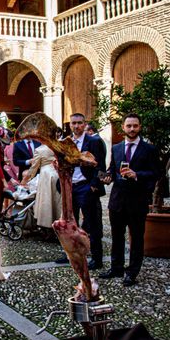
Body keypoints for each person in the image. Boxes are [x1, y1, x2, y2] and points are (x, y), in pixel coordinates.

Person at [100, 113, 158, 287]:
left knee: (136, 238)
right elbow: (112, 169)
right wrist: (108, 177)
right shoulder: (117, 148)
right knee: (117, 236)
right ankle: (116, 268)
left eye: (135, 126)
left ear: (140, 127)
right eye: (129, 126)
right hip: (117, 200)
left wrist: (137, 174)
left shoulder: (149, 149)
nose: (132, 129)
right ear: (123, 128)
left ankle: (132, 272)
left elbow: (155, 173)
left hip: (137, 201)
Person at [55, 113, 107, 268]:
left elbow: (101, 166)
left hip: (86, 186)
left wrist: (93, 185)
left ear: (85, 124)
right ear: (69, 125)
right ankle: (72, 255)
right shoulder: (65, 142)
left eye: (79, 123)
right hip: (70, 186)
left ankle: (97, 259)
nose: (76, 126)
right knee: (70, 223)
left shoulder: (94, 141)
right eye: (73, 123)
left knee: (93, 223)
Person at [23, 144, 61, 233]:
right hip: (58, 173)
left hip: (46, 176)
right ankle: (59, 222)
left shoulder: (39, 150)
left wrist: (25, 180)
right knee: (58, 200)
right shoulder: (58, 146)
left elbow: (34, 168)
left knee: (47, 200)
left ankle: (47, 224)